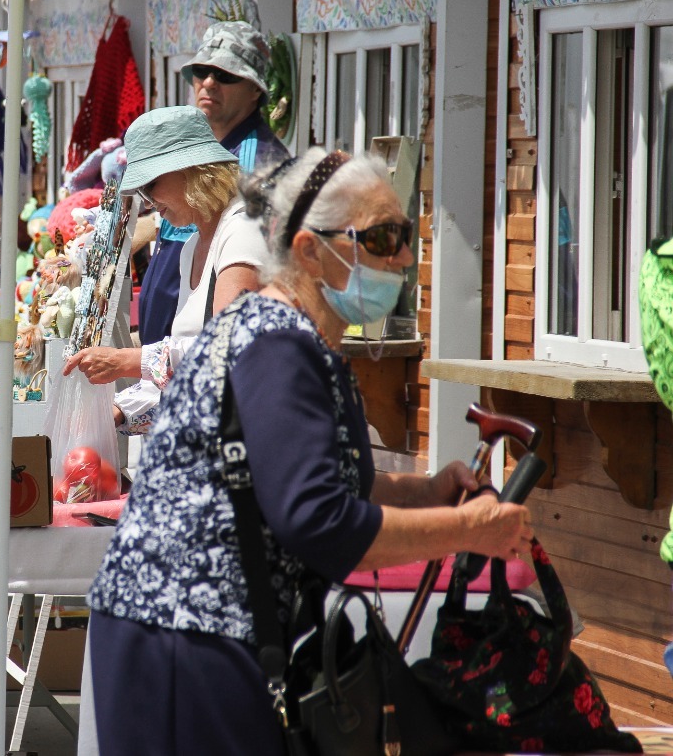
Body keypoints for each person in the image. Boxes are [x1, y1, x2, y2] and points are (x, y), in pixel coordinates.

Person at [86, 149, 534, 755]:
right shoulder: (278, 344)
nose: (402, 257)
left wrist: (422, 493)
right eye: (380, 238)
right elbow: (315, 517)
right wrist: (464, 529)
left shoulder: (296, 338)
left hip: (204, 633)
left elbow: (302, 476)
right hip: (183, 640)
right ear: (307, 251)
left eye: (404, 235)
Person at [63, 105, 267, 434]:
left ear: (193, 170)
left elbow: (232, 351)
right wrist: (119, 411)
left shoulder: (242, 230)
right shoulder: (191, 248)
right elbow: (185, 375)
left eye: (151, 184)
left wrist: (123, 361)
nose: (146, 201)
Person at [139, 17, 289, 345]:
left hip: (200, 350)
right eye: (201, 71)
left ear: (255, 91)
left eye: (225, 74)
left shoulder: (257, 160)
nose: (208, 82)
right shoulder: (208, 152)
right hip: (173, 350)